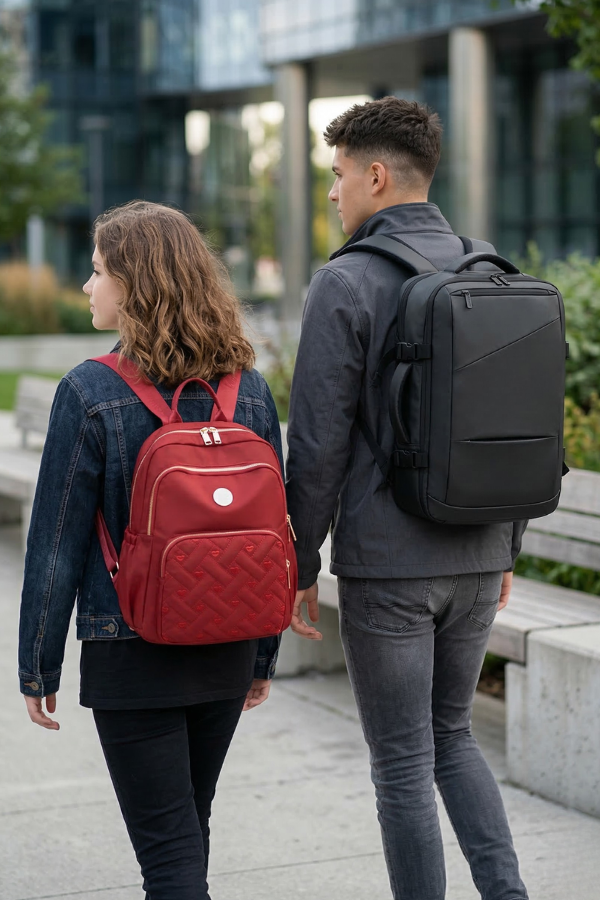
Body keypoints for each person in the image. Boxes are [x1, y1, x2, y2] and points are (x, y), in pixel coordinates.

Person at [286, 97, 529, 900]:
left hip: (390, 567)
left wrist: (298, 562)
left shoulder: (345, 281)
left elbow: (316, 446)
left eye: (337, 175)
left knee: (401, 766)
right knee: (453, 737)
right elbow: (515, 425)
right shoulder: (490, 271)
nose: (332, 192)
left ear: (376, 176)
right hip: (479, 552)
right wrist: (505, 546)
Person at [18, 200, 283, 900]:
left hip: (131, 649)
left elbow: (56, 540)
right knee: (188, 834)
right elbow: (270, 538)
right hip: (227, 639)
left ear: (134, 284)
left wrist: (37, 663)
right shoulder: (250, 392)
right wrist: (262, 655)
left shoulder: (90, 391)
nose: (87, 285)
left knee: (168, 858)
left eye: (97, 271)